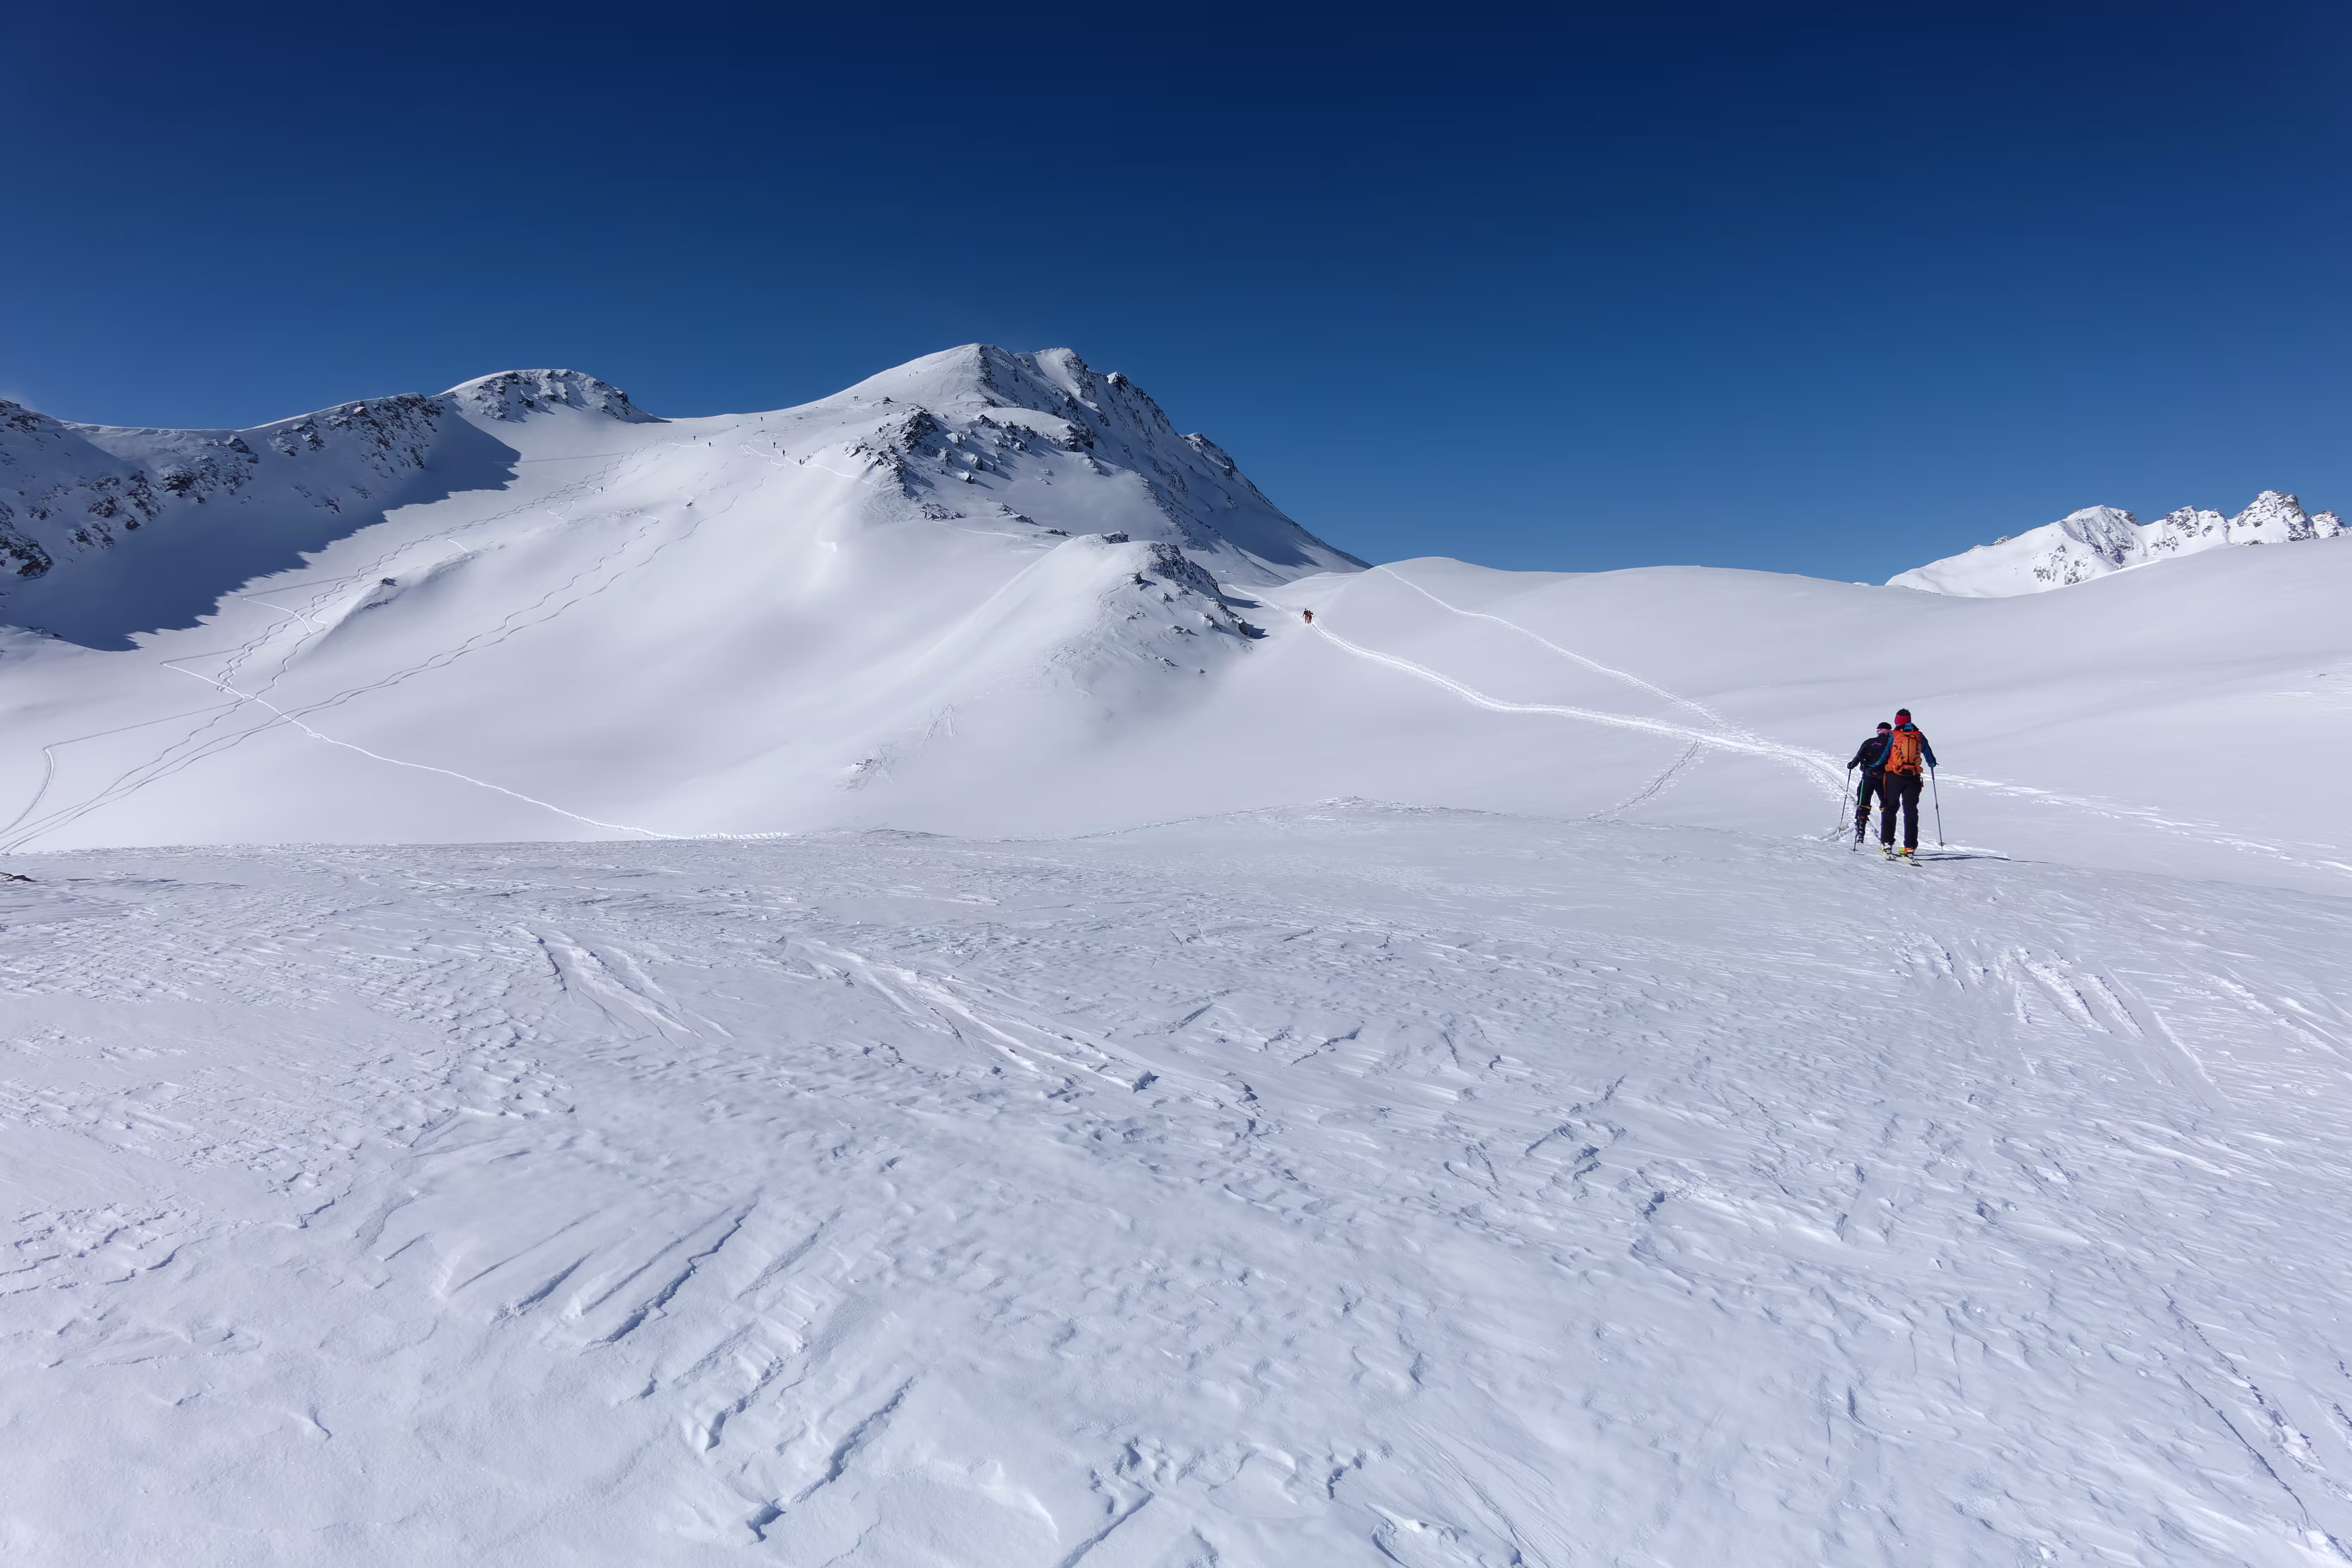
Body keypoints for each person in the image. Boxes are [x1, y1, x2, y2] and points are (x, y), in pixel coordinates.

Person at [1878, 708, 1938, 858]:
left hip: (1894, 776)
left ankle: (1887, 844)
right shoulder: (1918, 735)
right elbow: (1930, 758)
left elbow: (1883, 755)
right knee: (1911, 811)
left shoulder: (1893, 735)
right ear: (1910, 720)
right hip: (1913, 777)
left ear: (1897, 721)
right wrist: (1931, 764)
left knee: (1890, 808)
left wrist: (1873, 768)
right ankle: (1910, 847)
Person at [1846, 721, 1893, 844]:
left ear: (1879, 731)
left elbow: (1859, 757)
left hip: (1868, 776)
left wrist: (1852, 766)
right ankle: (1886, 837)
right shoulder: (1892, 743)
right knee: (1886, 806)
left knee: (1863, 802)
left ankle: (1860, 833)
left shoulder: (1869, 742)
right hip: (1885, 779)